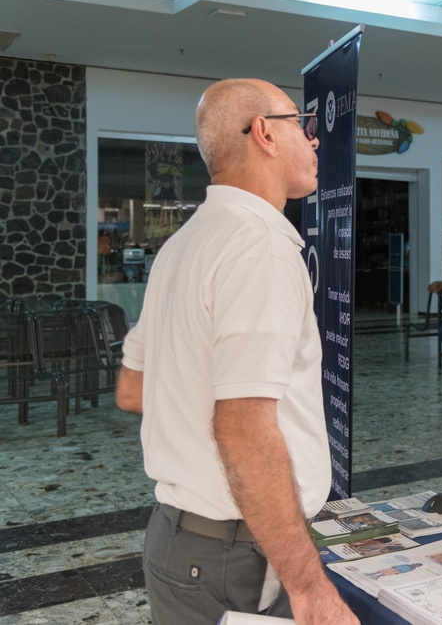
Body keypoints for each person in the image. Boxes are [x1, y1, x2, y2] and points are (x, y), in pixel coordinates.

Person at [115, 78, 359, 625]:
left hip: (183, 545)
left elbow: (133, 390)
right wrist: (310, 586)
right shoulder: (260, 247)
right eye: (303, 125)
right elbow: (243, 429)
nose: (315, 141)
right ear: (266, 134)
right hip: (233, 561)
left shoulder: (183, 244)